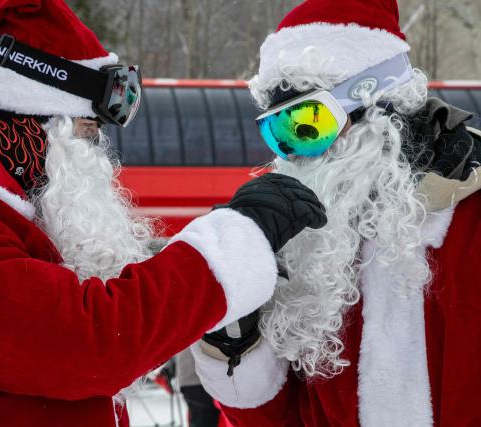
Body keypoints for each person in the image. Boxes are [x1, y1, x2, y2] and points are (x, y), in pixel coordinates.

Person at [0, 1, 327, 426]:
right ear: (38, 124)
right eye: (88, 129)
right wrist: (235, 241)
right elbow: (91, 344)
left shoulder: (0, 226)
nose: (100, 152)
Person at [190, 1, 481, 426]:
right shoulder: (300, 241)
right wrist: (237, 346)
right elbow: (276, 417)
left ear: (379, 108)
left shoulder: (467, 222)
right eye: (277, 131)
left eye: (308, 125)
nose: (294, 153)